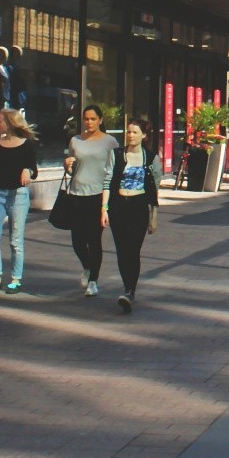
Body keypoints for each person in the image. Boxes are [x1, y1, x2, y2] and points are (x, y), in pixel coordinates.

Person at [106, 120, 162, 314]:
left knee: (133, 249)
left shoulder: (151, 158)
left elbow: (155, 184)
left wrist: (154, 213)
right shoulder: (116, 155)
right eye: (128, 132)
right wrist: (104, 209)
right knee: (122, 250)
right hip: (118, 205)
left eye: (135, 132)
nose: (130, 135)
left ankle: (130, 291)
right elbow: (107, 181)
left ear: (143, 136)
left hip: (139, 207)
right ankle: (127, 287)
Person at [62, 105, 117, 297]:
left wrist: (108, 203)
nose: (89, 122)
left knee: (93, 239)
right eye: (86, 118)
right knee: (77, 240)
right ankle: (87, 266)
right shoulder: (75, 141)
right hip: (77, 194)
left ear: (100, 120)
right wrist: (66, 165)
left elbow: (114, 170)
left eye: (93, 119)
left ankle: (93, 280)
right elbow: (71, 169)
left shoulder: (110, 142)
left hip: (97, 195)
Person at [0, 109, 38, 294]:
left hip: (18, 195)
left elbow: (34, 169)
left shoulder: (27, 145)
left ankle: (15, 279)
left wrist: (27, 170)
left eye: (0, 121)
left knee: (15, 240)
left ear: (9, 123)